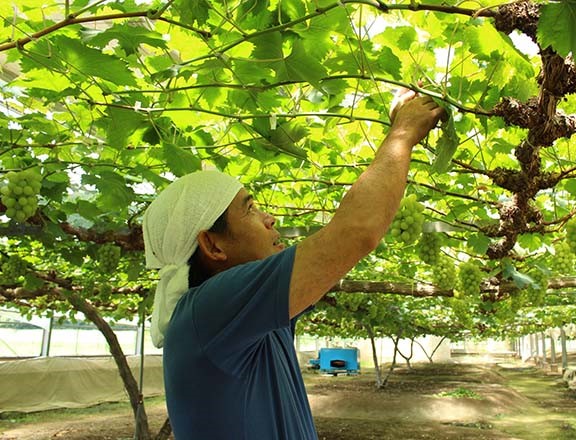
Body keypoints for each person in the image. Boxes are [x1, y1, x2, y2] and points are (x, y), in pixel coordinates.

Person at [141, 87, 445, 439]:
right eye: (250, 209)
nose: (269, 219)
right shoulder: (208, 311)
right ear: (212, 245)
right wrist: (403, 133)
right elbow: (355, 232)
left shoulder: (243, 315)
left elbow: (335, 247)